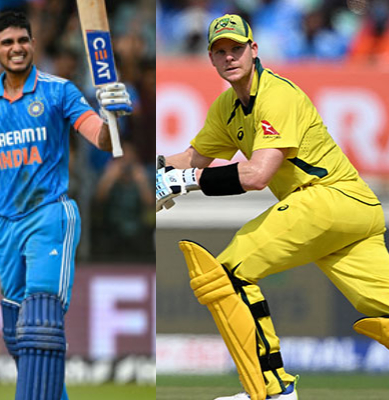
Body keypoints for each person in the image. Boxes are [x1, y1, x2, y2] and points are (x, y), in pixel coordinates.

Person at [156, 14, 389, 400]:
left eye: (237, 49)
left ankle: (274, 389)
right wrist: (152, 172)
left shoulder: (276, 95)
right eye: (221, 52)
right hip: (353, 212)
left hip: (327, 197)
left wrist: (188, 183)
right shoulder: (227, 108)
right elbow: (191, 158)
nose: (230, 57)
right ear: (211, 60)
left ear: (254, 50)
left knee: (227, 274)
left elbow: (257, 175)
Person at [0, 10, 131, 400]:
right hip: (6, 223)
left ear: (33, 44)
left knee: (40, 322)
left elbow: (101, 139)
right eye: (7, 43)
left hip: (51, 214)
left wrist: (113, 115)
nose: (16, 49)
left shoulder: (59, 91)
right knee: (18, 334)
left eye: (22, 41)